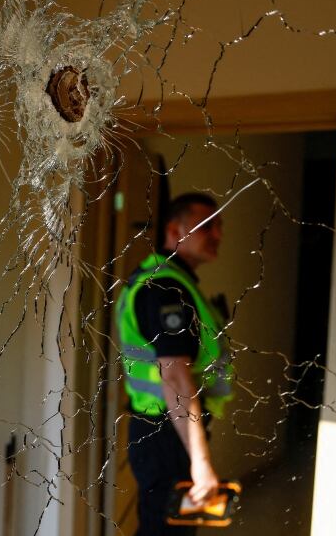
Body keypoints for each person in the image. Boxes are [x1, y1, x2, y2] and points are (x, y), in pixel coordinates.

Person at [115, 192, 233, 535]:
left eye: (220, 225)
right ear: (173, 230)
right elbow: (176, 377)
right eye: (207, 225)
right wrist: (200, 461)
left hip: (163, 430)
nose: (217, 235)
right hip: (166, 432)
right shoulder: (166, 288)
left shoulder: (165, 279)